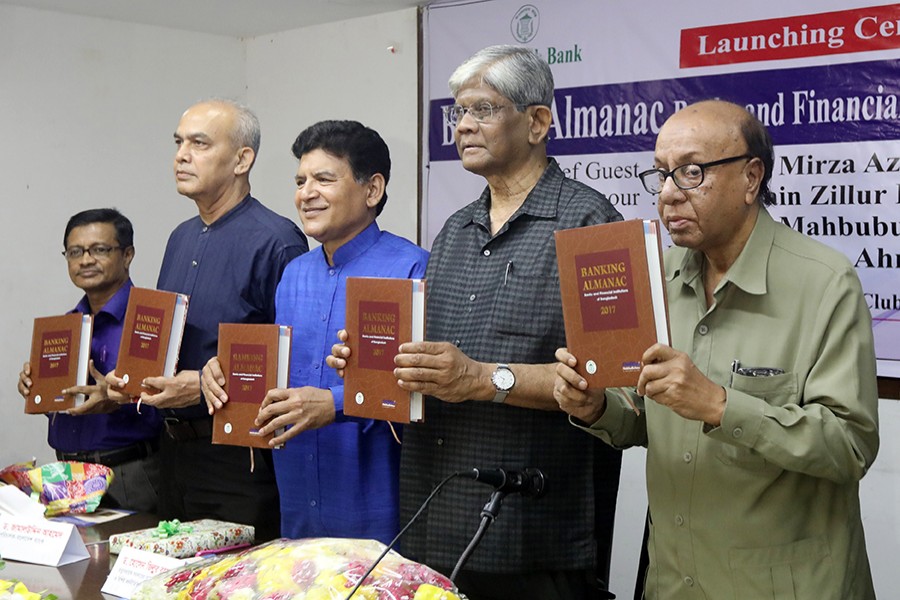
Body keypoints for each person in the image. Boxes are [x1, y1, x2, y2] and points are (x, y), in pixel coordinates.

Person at [329, 46, 623, 600]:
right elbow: (437, 368)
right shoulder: (455, 229)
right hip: (434, 518)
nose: (462, 125)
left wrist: (484, 378)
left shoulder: (591, 222)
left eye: (483, 109)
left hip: (530, 532)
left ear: (537, 122)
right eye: (456, 112)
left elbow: (614, 385)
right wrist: (378, 367)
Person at [554, 100, 879, 599]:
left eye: (689, 173)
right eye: (660, 175)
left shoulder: (825, 283)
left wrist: (720, 406)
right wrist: (597, 406)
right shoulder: (657, 276)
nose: (667, 195)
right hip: (672, 581)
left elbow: (849, 446)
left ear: (751, 178)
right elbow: (642, 415)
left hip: (785, 587)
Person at [201, 120, 428, 544]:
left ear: (372, 190)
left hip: (377, 506)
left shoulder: (412, 270)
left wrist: (335, 404)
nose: (306, 194)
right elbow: (276, 375)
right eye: (300, 181)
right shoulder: (293, 273)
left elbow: (427, 385)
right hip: (297, 503)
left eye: (324, 179)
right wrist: (223, 371)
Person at [108, 99, 308, 541]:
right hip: (173, 454)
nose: (181, 155)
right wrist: (132, 379)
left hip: (238, 459)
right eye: (179, 143)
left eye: (199, 143)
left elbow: (293, 366)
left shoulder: (277, 242)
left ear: (242, 159)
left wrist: (200, 386)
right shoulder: (180, 237)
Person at [18, 208, 162, 513]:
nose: (85, 260)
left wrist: (116, 399)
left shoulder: (149, 320)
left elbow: (170, 406)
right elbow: (63, 405)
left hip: (129, 472)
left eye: (99, 250)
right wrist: (38, 389)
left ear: (127, 255)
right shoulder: (65, 326)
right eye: (75, 252)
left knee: (128, 560)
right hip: (67, 475)